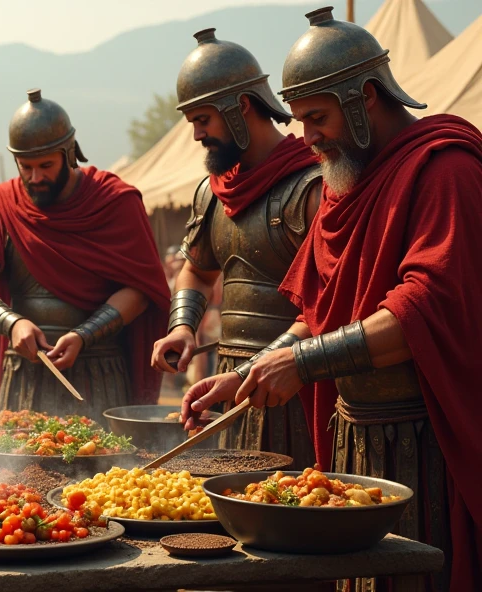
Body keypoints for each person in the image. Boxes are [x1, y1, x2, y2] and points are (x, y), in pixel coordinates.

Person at [180, 8, 482, 590]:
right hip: (352, 439)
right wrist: (245, 374)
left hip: (426, 439)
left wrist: (302, 362)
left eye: (317, 118)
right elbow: (319, 313)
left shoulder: (446, 169)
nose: (307, 136)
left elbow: (422, 308)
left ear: (366, 96)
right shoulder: (348, 182)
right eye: (300, 119)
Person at [151, 29, 321, 468]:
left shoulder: (313, 187)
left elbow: (327, 304)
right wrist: (183, 326)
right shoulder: (212, 194)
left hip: (300, 378)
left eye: (203, 120)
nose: (196, 136)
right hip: (230, 384)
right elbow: (197, 270)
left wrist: (253, 371)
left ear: (241, 106)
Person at [0, 89, 169, 420]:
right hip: (24, 372)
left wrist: (85, 334)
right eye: (26, 167)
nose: (35, 178)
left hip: (100, 372)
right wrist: (13, 323)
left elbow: (140, 291)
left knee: (106, 468)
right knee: (13, 468)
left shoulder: (115, 201)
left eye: (46, 165)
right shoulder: (0, 205)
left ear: (68, 153)